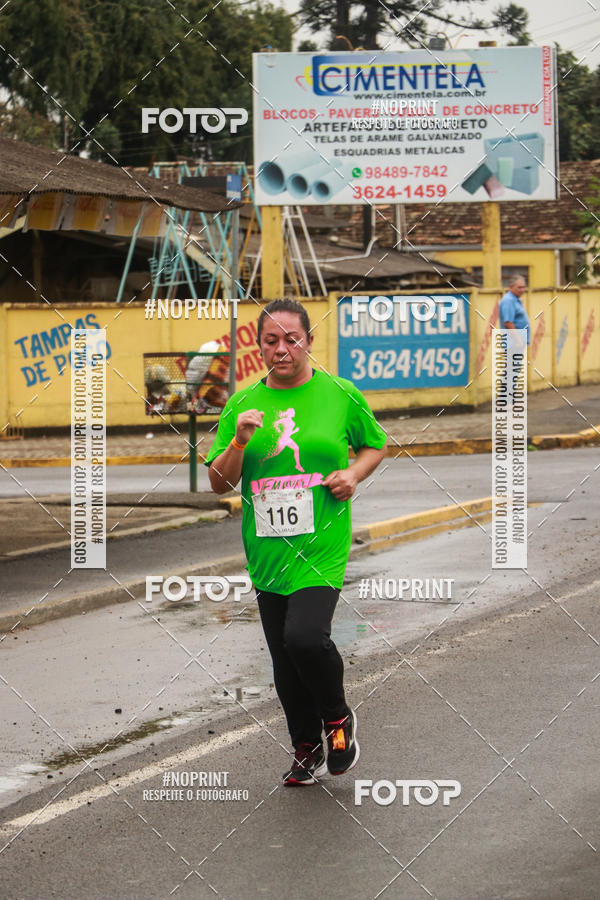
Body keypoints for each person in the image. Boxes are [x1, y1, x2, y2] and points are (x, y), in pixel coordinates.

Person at [205, 298, 387, 786]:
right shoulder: (242, 405)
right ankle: (305, 747)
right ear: (259, 345)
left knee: (304, 638)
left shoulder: (339, 393)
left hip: (322, 541)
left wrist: (352, 474)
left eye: (292, 338)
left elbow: (375, 443)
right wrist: (240, 443)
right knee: (283, 657)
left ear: (309, 340)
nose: (282, 348)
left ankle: (337, 719)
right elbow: (217, 483)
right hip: (268, 548)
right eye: (271, 340)